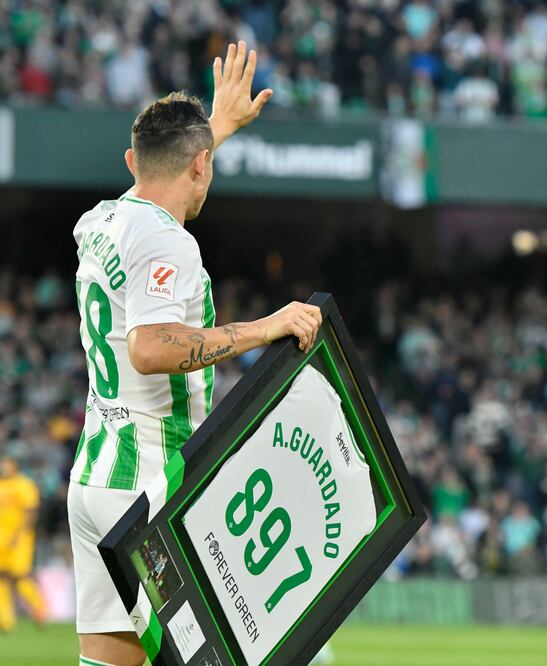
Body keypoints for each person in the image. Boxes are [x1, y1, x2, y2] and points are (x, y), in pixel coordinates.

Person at [68, 41, 323, 666]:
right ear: (203, 167)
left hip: (97, 476)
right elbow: (151, 348)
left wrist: (217, 129)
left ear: (131, 159)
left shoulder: (98, 221)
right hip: (152, 487)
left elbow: (166, 181)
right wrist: (264, 328)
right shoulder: (170, 243)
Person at [0, 455, 48, 632]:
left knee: (20, 577)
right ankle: (6, 622)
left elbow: (30, 512)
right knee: (2, 578)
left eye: (7, 464)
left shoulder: (24, 485)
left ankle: (40, 610)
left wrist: (18, 535)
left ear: (15, 466)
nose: (4, 467)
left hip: (19, 539)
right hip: (1, 539)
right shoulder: (1, 485)